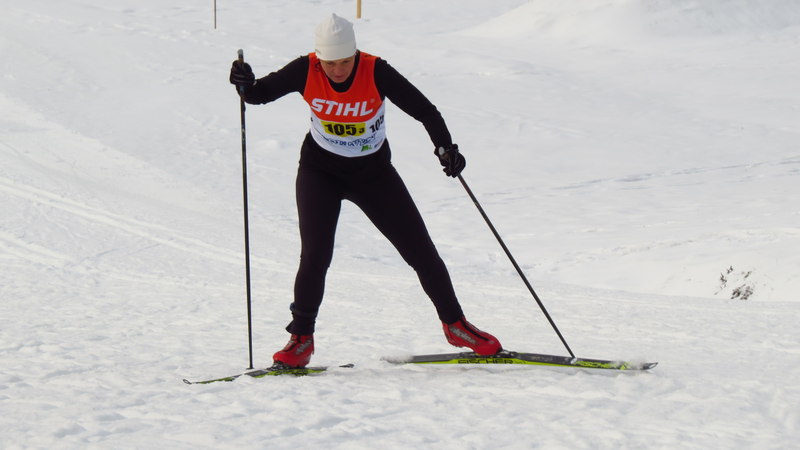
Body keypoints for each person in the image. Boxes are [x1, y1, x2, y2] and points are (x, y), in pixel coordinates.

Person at [229, 13, 501, 368]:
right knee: (315, 256)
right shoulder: (305, 69)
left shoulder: (375, 70)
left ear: (355, 53)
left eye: (345, 61)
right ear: (319, 58)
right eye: (330, 63)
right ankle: (301, 339)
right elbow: (258, 95)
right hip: (319, 173)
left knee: (420, 251)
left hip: (374, 175)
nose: (338, 70)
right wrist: (244, 83)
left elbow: (425, 110)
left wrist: (445, 147)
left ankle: (456, 326)